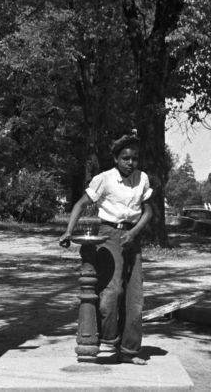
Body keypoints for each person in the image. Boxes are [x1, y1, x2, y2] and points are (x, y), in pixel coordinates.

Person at [59, 133, 153, 365]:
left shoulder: (143, 179)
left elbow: (149, 211)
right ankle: (109, 338)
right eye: (125, 158)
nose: (130, 163)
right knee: (111, 293)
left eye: (134, 159)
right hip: (108, 235)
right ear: (116, 159)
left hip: (133, 236)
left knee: (134, 297)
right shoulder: (105, 179)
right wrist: (68, 231)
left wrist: (134, 233)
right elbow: (81, 204)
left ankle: (129, 351)